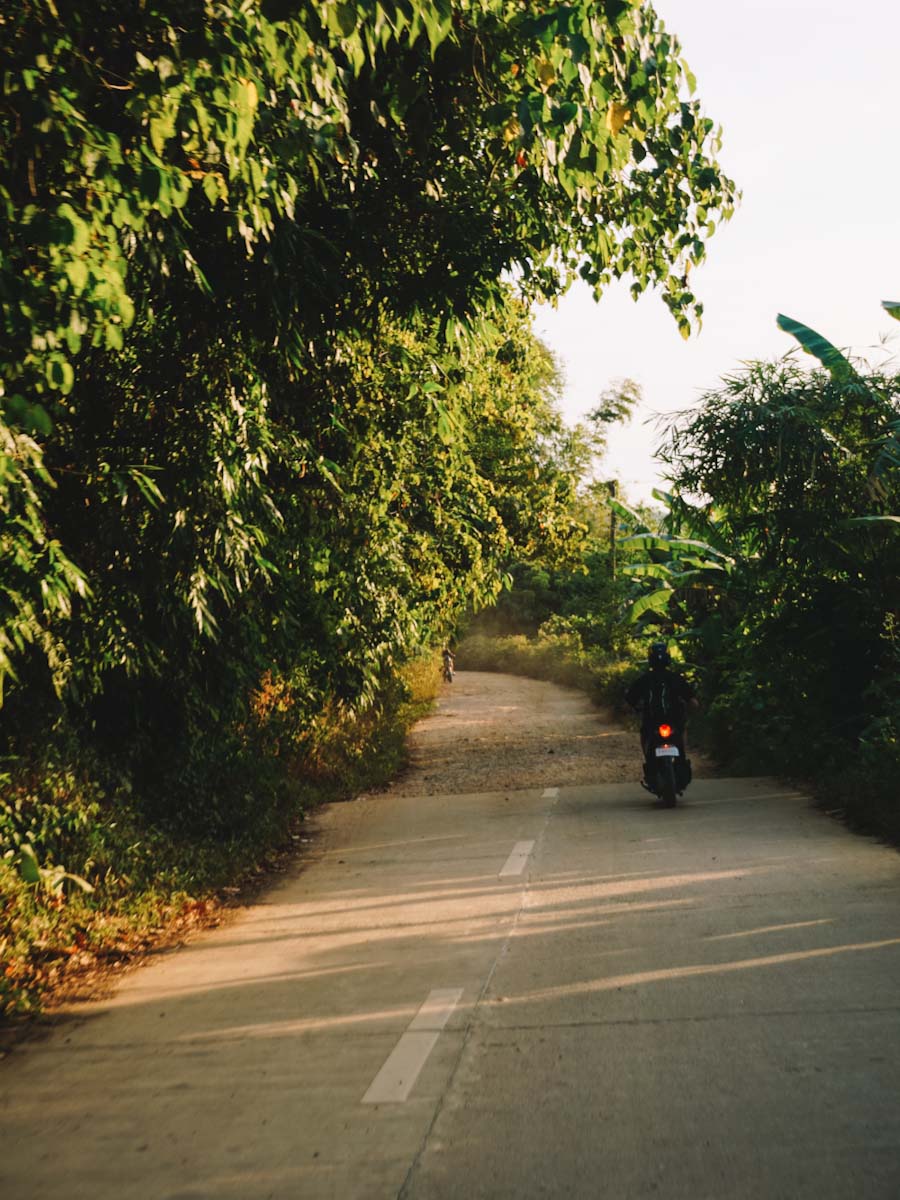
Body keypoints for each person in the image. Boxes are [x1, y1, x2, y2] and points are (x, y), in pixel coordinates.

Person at [625, 643, 698, 786]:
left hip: (651, 722)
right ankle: (681, 756)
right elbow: (693, 702)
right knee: (682, 731)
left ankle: (649, 760)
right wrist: (692, 709)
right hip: (674, 721)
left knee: (644, 735)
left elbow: (628, 703)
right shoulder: (676, 678)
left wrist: (628, 710)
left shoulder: (644, 679)